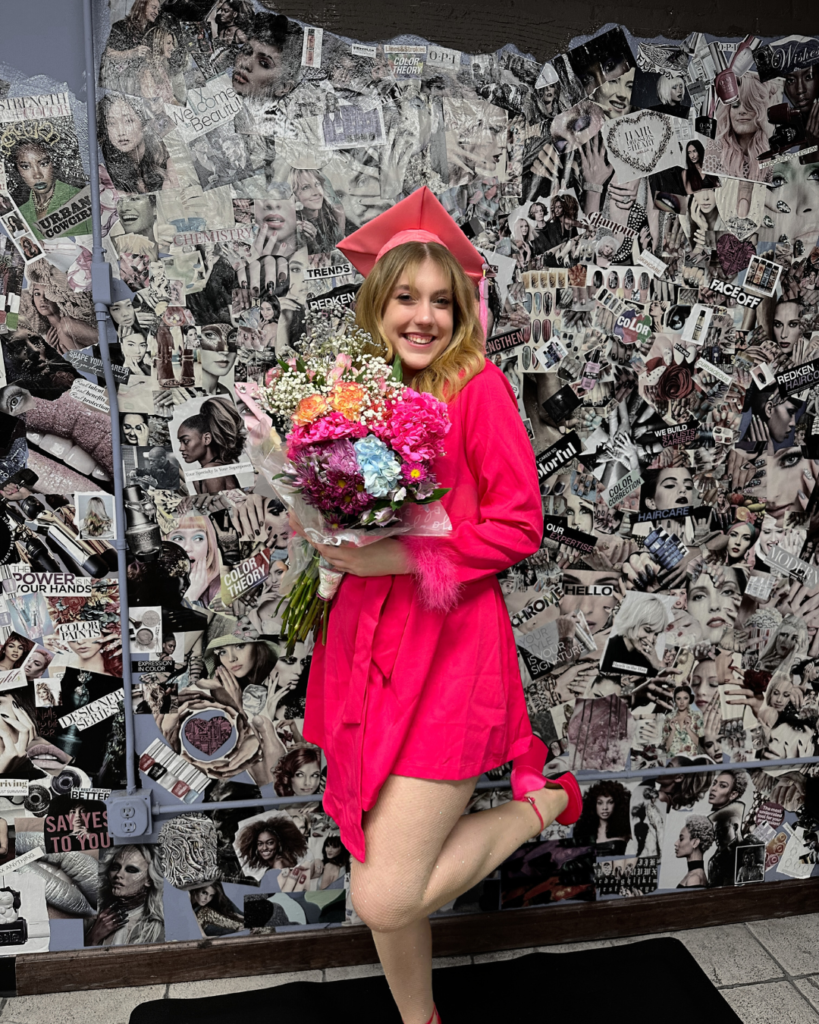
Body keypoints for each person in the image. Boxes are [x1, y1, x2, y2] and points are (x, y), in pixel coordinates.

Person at [290, 187, 580, 1024]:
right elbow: (326, 504)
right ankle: (420, 1020)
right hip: (364, 650)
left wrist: (397, 553)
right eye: (406, 298)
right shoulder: (353, 396)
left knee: (382, 895)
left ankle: (545, 799)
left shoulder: (477, 388)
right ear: (379, 305)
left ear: (461, 310)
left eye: (440, 301)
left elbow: (519, 525)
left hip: (448, 651)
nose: (422, 318)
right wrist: (314, 516)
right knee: (380, 855)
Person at [7, 137, 92, 240]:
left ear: (54, 164)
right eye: (25, 166)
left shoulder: (80, 198)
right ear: (18, 171)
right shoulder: (20, 213)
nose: (37, 175)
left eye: (43, 164)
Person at [86, 844, 164, 946]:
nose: (118, 874)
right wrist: (93, 937)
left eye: (131, 870)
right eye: (115, 867)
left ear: (149, 880)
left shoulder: (158, 927)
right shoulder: (91, 911)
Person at [98, 94, 177, 194]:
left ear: (144, 123)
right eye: (111, 123)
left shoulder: (167, 155)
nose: (121, 131)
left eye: (128, 121)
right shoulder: (103, 169)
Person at [176, 397, 247, 494]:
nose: (181, 448)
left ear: (206, 439)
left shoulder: (211, 472)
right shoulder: (201, 476)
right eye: (180, 442)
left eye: (185, 441)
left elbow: (222, 509)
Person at [288, 167, 346, 255]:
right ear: (294, 194)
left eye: (317, 184)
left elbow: (341, 254)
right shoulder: (293, 227)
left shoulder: (335, 214)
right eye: (306, 187)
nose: (316, 192)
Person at [573, 779, 632, 853]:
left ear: (617, 804)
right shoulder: (582, 831)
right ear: (593, 805)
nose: (605, 807)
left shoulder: (626, 830)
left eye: (610, 802)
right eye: (600, 803)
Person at [235, 815, 308, 874]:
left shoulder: (279, 865)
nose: (264, 848)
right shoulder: (282, 860)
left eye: (270, 843)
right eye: (260, 844)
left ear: (279, 843)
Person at [662, 685, 705, 759]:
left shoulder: (697, 715)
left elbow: (701, 745)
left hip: (691, 761)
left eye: (685, 698)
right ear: (675, 700)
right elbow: (666, 747)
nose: (682, 702)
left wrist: (688, 729)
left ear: (690, 699)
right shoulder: (668, 717)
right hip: (673, 761)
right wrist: (673, 731)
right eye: (678, 698)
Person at [674, 815, 714, 887]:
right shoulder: (696, 875)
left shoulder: (694, 879)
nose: (676, 843)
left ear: (695, 843)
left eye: (681, 839)